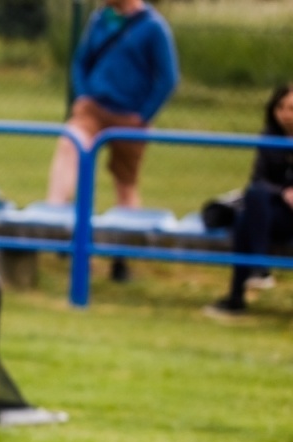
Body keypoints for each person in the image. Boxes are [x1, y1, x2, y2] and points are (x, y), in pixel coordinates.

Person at [46, 0, 177, 280]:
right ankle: (57, 225)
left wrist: (144, 115)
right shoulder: (100, 20)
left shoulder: (153, 27)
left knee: (125, 184)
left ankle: (122, 257)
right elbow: (81, 62)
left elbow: (168, 77)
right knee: (70, 146)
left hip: (130, 116)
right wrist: (83, 96)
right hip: (93, 109)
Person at [206, 85, 293, 321]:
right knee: (249, 210)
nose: (286, 114)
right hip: (274, 214)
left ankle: (241, 292)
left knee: (249, 217)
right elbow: (258, 180)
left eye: (292, 108)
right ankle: (254, 276)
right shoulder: (269, 138)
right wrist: (284, 192)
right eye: (281, 107)